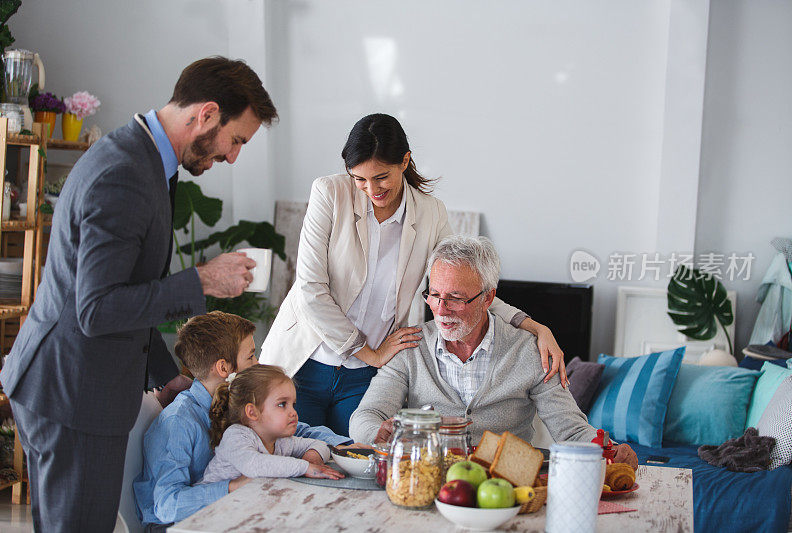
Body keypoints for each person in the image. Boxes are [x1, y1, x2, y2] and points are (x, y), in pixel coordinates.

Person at [0, 57, 278, 532]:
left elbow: (130, 283)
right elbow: (97, 308)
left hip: (77, 383)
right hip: (74, 392)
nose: (232, 157)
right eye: (237, 141)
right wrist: (203, 281)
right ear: (207, 114)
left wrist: (167, 375)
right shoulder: (126, 172)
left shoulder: (149, 160)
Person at [260, 113, 567, 437]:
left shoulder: (430, 212)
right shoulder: (330, 192)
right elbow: (310, 289)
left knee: (357, 465)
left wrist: (534, 326)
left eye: (381, 177)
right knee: (296, 462)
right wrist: (369, 352)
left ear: (405, 161)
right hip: (304, 361)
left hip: (365, 376)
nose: (370, 189)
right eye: (359, 179)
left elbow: (471, 285)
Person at [348, 235, 638, 470]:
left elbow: (571, 430)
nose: (440, 308)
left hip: (509, 488)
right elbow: (365, 416)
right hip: (426, 482)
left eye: (456, 298)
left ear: (488, 297)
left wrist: (608, 449)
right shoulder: (409, 347)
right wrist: (377, 432)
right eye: (434, 295)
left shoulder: (529, 350)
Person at [134, 312, 351, 529]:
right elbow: (165, 506)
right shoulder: (178, 422)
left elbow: (299, 431)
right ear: (223, 368)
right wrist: (233, 487)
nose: (258, 364)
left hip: (232, 514)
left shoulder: (238, 403)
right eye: (251, 356)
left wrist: (346, 447)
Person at [201, 365, 344, 485]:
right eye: (282, 404)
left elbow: (320, 445)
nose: (293, 412)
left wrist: (312, 457)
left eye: (293, 405)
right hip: (209, 512)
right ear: (252, 412)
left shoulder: (281, 440)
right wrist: (305, 468)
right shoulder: (236, 435)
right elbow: (254, 465)